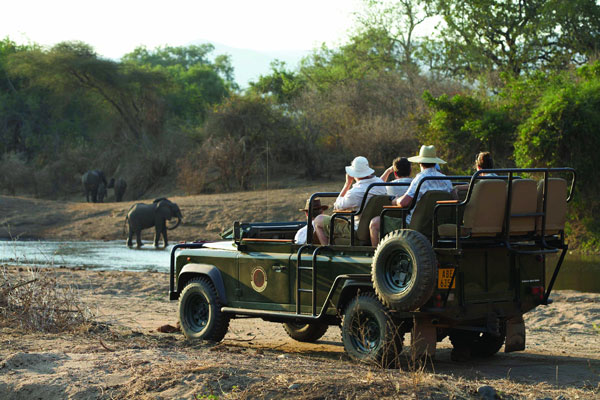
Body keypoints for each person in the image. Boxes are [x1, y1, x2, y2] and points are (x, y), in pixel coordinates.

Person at [369, 145, 453, 246]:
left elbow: (404, 202)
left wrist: (395, 201)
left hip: (415, 224)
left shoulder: (420, 178)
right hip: (437, 224)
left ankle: (377, 258)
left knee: (375, 223)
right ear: (435, 162)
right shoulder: (446, 179)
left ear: (420, 162)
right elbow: (453, 198)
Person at [314, 156, 388, 244]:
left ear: (354, 173)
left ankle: (326, 251)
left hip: (356, 229)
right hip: (373, 226)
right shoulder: (381, 184)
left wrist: (347, 184)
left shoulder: (355, 192)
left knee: (318, 220)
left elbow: (337, 206)